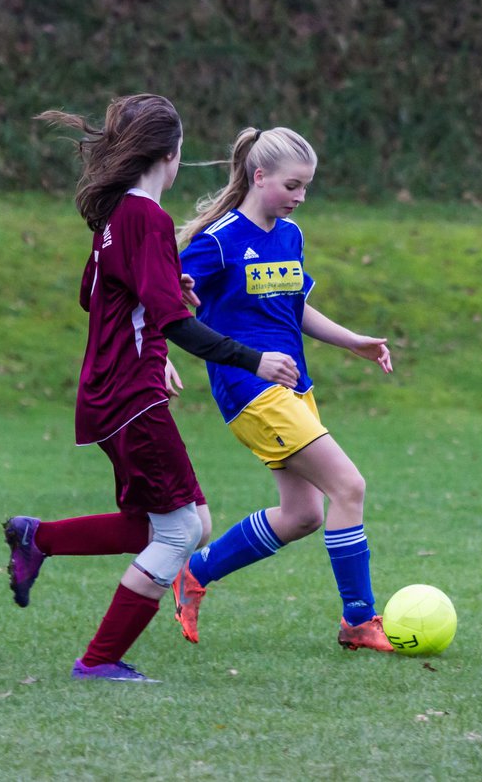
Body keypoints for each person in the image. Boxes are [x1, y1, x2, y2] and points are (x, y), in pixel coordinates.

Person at [3, 96, 299, 682]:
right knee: (180, 530)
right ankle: (99, 659)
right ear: (172, 154)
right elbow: (175, 325)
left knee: (185, 522)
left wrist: (161, 283)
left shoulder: (118, 215)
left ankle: (37, 539)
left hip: (113, 392)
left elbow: (95, 294)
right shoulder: (147, 218)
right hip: (129, 396)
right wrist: (253, 360)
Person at [169, 126, 396, 653]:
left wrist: (352, 341)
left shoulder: (289, 237)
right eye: (292, 186)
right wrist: (156, 356)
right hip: (249, 389)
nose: (299, 198)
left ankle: (194, 574)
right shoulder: (219, 240)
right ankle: (358, 620)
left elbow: (295, 307)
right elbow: (165, 300)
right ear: (260, 175)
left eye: (306, 189)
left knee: (302, 516)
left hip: (294, 386)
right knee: (349, 487)